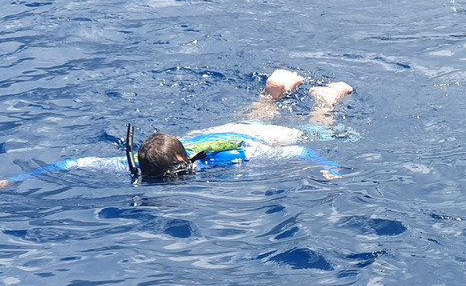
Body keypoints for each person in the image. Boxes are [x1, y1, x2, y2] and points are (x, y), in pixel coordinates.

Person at [0, 69, 353, 188]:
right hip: (221, 128)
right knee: (259, 112)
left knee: (318, 129)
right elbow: (72, 165)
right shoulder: (145, 166)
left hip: (249, 138)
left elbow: (297, 150)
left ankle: (326, 99)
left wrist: (329, 167)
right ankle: (271, 91)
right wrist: (16, 181)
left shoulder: (223, 159)